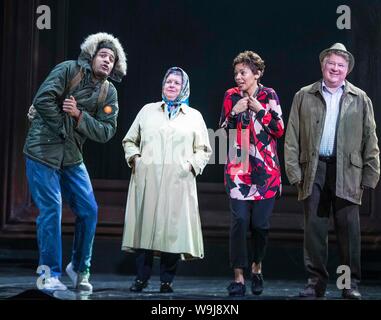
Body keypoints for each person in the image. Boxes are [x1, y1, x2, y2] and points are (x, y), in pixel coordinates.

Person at [23, 32, 127, 292]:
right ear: (92, 55)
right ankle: (48, 275)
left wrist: (79, 115)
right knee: (51, 210)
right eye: (103, 55)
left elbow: (106, 131)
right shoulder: (69, 70)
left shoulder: (108, 92)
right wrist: (63, 125)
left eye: (112, 59)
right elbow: (43, 99)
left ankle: (79, 268)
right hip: (41, 151)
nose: (106, 61)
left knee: (89, 209)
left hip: (71, 156)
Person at [284, 43, 380, 299]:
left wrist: (371, 175)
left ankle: (350, 284)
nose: (335, 69)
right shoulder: (304, 95)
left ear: (347, 70)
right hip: (314, 169)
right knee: (314, 230)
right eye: (331, 64)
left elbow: (370, 139)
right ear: (322, 66)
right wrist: (294, 173)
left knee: (348, 232)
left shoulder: (360, 98)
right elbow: (292, 137)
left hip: (347, 170)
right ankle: (316, 283)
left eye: (340, 65)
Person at [121, 66, 212, 293]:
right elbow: (129, 140)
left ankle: (166, 280)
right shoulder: (147, 111)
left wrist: (190, 166)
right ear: (163, 85)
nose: (171, 85)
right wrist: (136, 160)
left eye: (176, 83)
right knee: (145, 228)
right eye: (168, 81)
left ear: (184, 88)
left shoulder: (194, 116)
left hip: (178, 181)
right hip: (148, 179)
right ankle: (141, 278)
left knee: (172, 232)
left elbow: (204, 150)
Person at [219, 51, 284, 296]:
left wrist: (260, 110)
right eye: (236, 73)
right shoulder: (230, 96)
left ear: (256, 74)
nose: (238, 77)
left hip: (266, 173)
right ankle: (238, 277)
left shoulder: (269, 96)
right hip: (238, 171)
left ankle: (257, 267)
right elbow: (224, 132)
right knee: (239, 222)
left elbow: (279, 129)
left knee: (260, 225)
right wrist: (234, 112)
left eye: (243, 72)